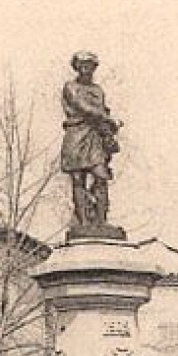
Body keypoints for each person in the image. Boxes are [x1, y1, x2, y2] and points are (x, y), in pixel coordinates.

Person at [60, 51, 121, 233]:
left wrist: (109, 129)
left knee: (101, 176)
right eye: (82, 65)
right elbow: (83, 107)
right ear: (77, 67)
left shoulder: (98, 91)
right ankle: (83, 223)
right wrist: (108, 119)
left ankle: (101, 221)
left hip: (94, 136)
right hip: (76, 135)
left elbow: (101, 110)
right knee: (78, 179)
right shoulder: (70, 87)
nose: (86, 69)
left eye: (90, 66)